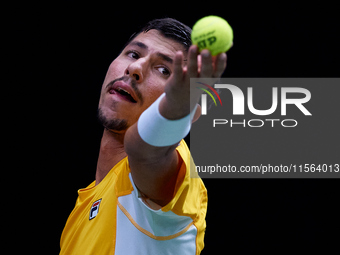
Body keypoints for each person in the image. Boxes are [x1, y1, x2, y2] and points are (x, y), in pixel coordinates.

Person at [60, 18, 227, 254]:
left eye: (164, 70)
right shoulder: (85, 202)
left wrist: (173, 112)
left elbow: (145, 152)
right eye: (133, 54)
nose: (136, 68)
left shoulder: (175, 181)